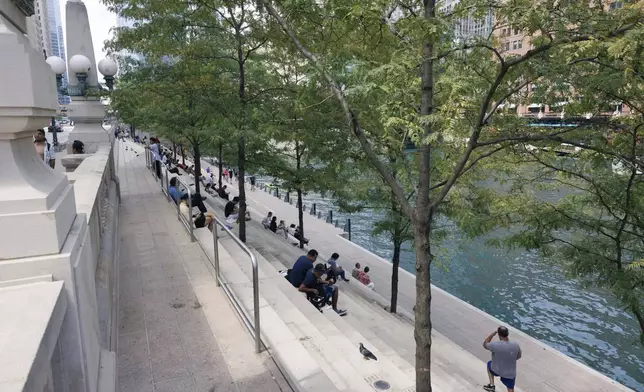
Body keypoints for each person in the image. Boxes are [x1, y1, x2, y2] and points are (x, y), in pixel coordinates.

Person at [483, 326, 521, 392]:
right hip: (510, 373)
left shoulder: (495, 345)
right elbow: (518, 356)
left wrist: (492, 335)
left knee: (489, 364)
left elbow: (485, 344)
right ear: (507, 334)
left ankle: (492, 385)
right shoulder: (516, 345)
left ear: (499, 334)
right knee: (510, 389)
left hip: (496, 369)